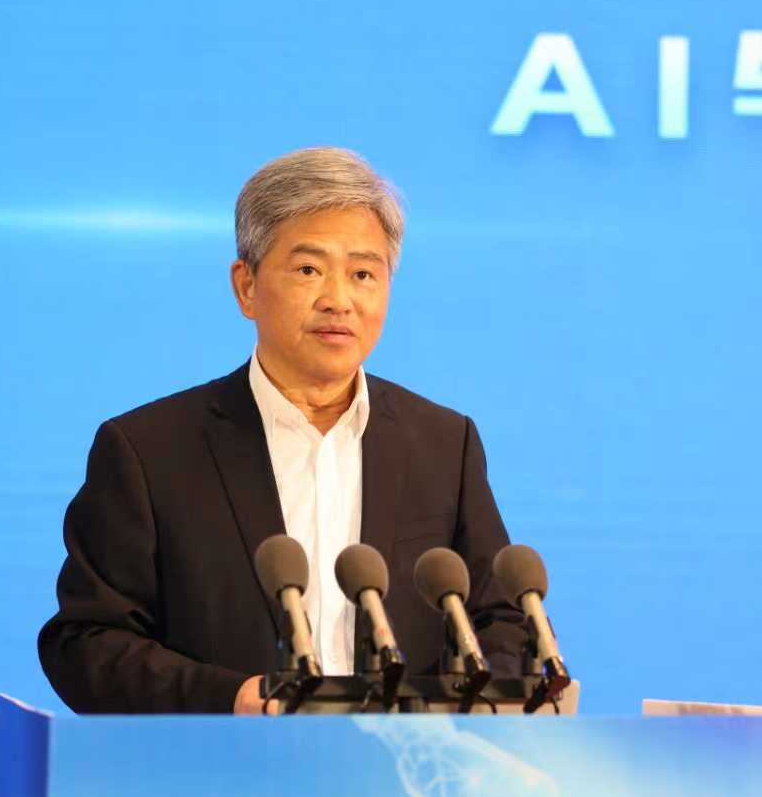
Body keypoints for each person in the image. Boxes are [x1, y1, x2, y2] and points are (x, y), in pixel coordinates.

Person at [39, 147, 526, 714]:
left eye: (363, 274)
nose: (338, 300)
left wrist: (470, 708)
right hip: (225, 764)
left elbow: (501, 621)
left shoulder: (443, 443)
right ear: (246, 286)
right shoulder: (148, 451)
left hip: (399, 765)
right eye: (309, 270)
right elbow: (87, 644)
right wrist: (231, 698)